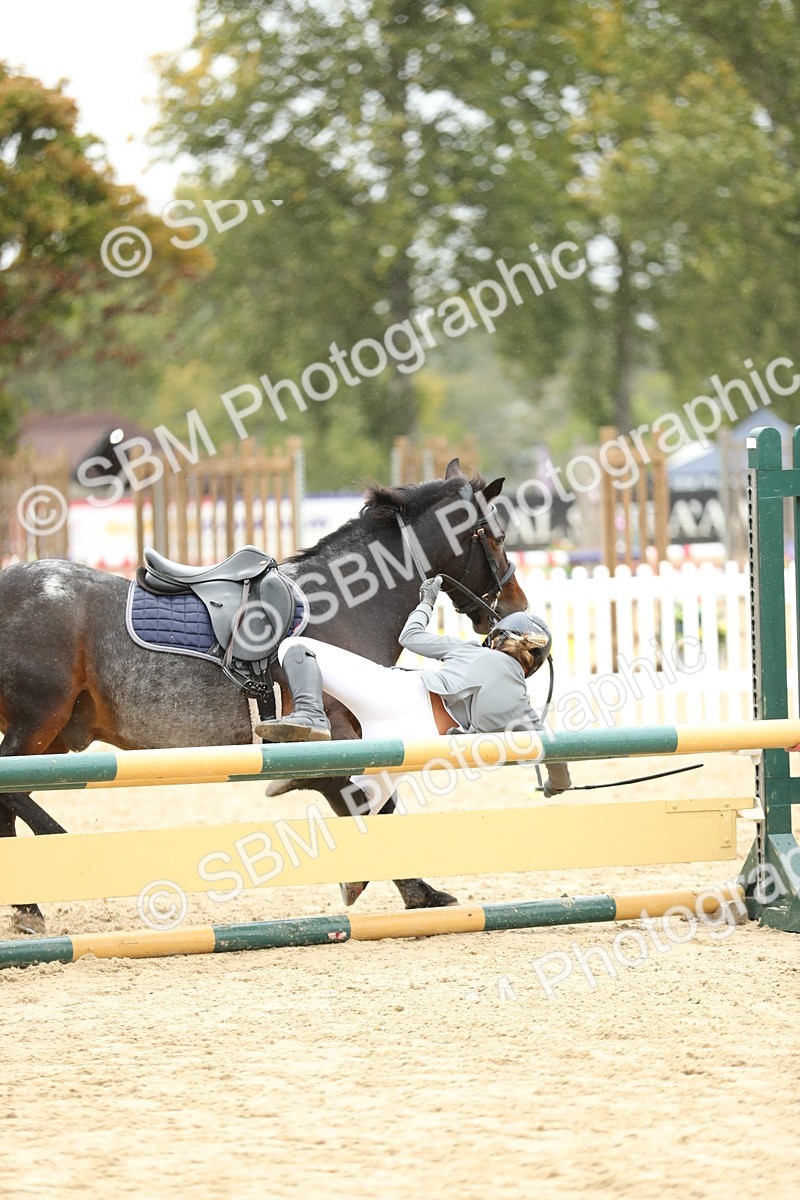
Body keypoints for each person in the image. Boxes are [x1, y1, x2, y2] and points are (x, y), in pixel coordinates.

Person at [256, 575, 572, 810]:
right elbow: (552, 753)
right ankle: (357, 872)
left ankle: (311, 715)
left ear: (496, 637)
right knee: (363, 805)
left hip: (398, 695)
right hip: (418, 744)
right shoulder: (522, 707)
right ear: (533, 666)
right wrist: (557, 785)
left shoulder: (470, 651)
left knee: (296, 647)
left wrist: (427, 601)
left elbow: (410, 636)